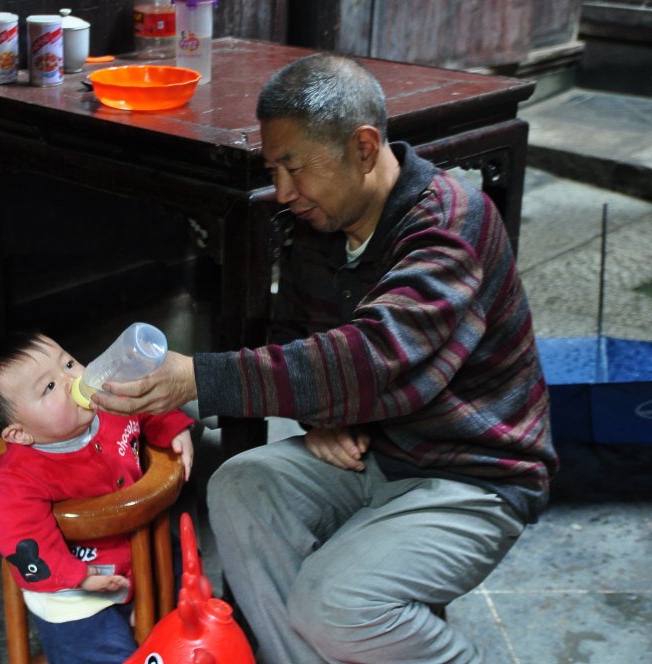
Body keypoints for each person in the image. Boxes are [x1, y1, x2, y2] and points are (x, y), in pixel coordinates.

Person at [89, 53, 559, 663]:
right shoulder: (318, 225)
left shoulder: (451, 225)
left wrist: (196, 377)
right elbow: (297, 341)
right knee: (241, 484)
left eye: (294, 168)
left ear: (363, 148)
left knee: (332, 604)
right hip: (376, 448)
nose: (284, 192)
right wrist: (324, 416)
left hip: (472, 472)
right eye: (273, 169)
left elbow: (376, 358)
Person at [0, 331, 194, 664]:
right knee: (92, 647)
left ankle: (161, 636)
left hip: (141, 550)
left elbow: (147, 409)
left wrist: (173, 426)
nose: (72, 380)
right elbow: (21, 537)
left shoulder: (111, 405)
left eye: (69, 363)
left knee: (190, 588)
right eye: (49, 387)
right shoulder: (15, 480)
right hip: (75, 590)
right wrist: (78, 577)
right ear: (20, 433)